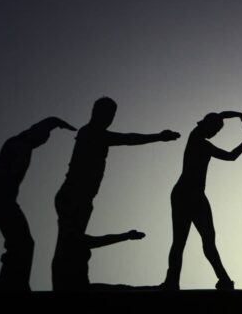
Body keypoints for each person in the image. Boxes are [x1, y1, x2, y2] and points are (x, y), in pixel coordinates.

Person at [54, 97, 179, 237]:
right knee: (71, 245)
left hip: (82, 196)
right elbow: (128, 139)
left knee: (73, 244)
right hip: (75, 195)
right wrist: (159, 137)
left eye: (112, 115)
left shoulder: (92, 133)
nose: (110, 118)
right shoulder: (92, 133)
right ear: (96, 112)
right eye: (107, 114)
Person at [163, 111, 242, 291]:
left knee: (208, 241)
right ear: (206, 125)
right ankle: (172, 281)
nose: (215, 133)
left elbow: (230, 153)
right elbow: (231, 155)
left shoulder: (203, 142)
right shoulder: (197, 139)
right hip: (184, 195)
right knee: (180, 241)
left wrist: (237, 117)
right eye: (215, 129)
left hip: (197, 196)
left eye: (218, 131)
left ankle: (224, 279)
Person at [0, 116, 74, 291]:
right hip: (2, 202)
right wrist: (54, 124)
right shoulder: (20, 144)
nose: (41, 144)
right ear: (36, 135)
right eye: (42, 140)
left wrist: (58, 124)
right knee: (24, 243)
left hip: (2, 202)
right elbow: (12, 172)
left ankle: (11, 281)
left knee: (19, 243)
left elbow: (47, 123)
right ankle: (13, 285)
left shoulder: (21, 144)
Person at [52, 228, 146, 291]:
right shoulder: (72, 240)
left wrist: (127, 236)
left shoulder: (74, 239)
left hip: (82, 288)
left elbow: (101, 240)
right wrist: (127, 236)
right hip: (77, 290)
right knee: (124, 290)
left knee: (124, 289)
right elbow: (102, 240)